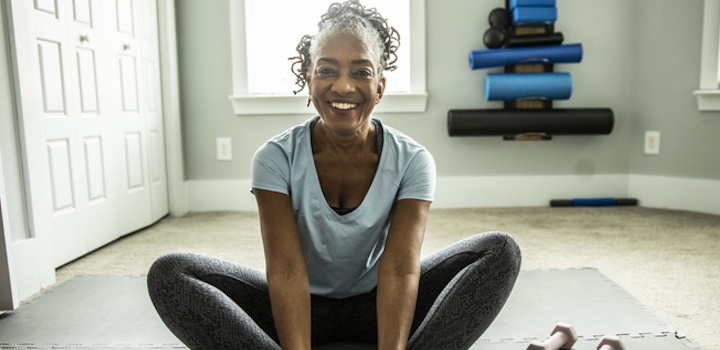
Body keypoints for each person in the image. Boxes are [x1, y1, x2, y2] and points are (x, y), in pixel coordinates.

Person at [147, 2, 521, 349]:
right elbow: (287, 269)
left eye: (361, 72)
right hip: (299, 306)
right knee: (170, 274)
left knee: (500, 251)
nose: (343, 86)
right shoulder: (275, 158)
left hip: (379, 305)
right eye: (327, 70)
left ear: (380, 87)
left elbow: (400, 269)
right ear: (309, 81)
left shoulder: (413, 161)